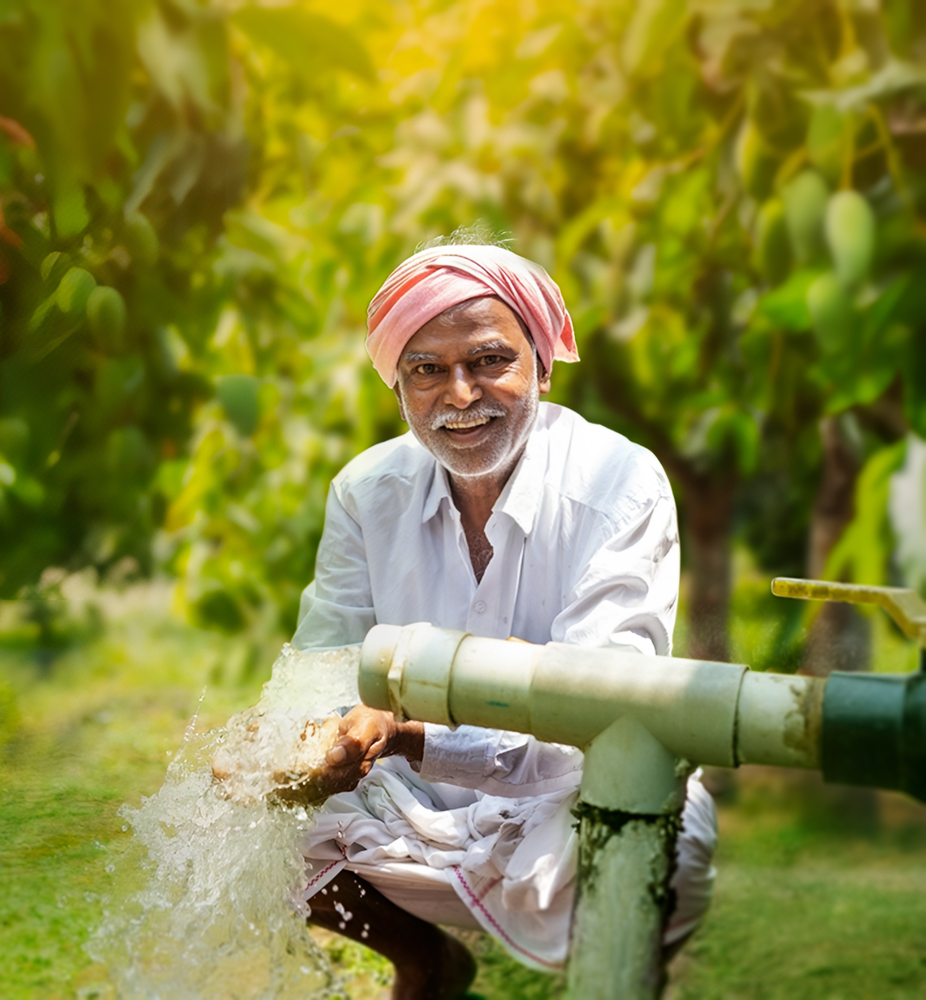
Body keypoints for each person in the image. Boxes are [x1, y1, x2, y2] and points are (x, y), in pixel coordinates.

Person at [292, 241, 717, 998]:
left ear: (542, 366)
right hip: (412, 801)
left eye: (490, 360)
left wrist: (408, 729)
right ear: (397, 386)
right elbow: (323, 659)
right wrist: (316, 738)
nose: (459, 395)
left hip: (564, 794)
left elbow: (603, 710)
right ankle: (424, 964)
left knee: (650, 844)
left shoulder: (620, 481)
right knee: (251, 794)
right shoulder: (366, 489)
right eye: (426, 370)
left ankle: (620, 980)